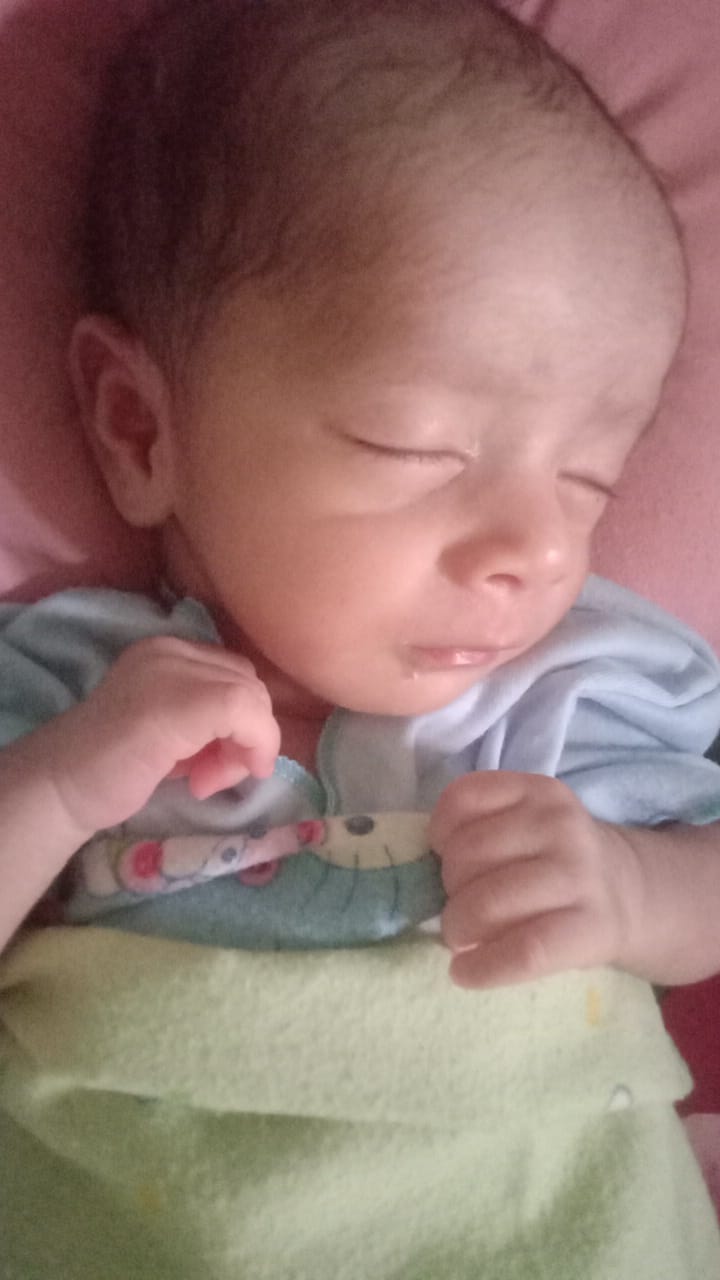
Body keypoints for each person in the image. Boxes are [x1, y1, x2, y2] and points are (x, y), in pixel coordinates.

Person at [3, 3, 720, 1276]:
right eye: (419, 446)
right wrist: (57, 789)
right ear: (139, 428)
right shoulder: (69, 692)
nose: (532, 548)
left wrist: (635, 884)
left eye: (589, 479)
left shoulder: (585, 687)